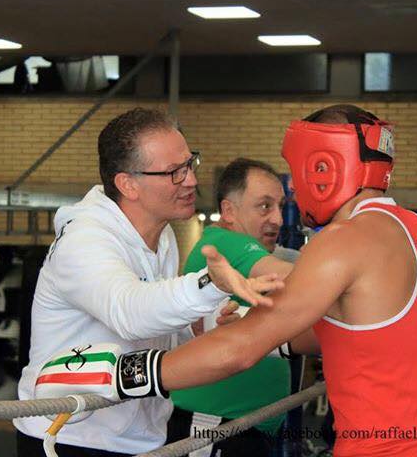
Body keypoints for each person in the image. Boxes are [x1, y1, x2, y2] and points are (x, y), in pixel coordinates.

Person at [43, 104, 417, 457]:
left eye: (294, 175)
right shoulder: (416, 230)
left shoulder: (345, 240)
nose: (294, 189)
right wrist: (268, 330)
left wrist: (121, 374)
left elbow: (239, 352)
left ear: (323, 168)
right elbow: (363, 331)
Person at [14, 108, 282, 457]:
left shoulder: (162, 235)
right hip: (69, 439)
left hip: (140, 437)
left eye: (189, 164)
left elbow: (150, 334)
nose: (190, 180)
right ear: (128, 184)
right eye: (174, 172)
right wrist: (210, 283)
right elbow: (130, 312)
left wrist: (202, 328)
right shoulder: (85, 241)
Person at [167, 158, 294, 457]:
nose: (278, 219)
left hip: (244, 427)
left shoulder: (254, 254)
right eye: (264, 206)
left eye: (280, 206)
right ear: (228, 211)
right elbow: (298, 281)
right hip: (213, 427)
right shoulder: (227, 243)